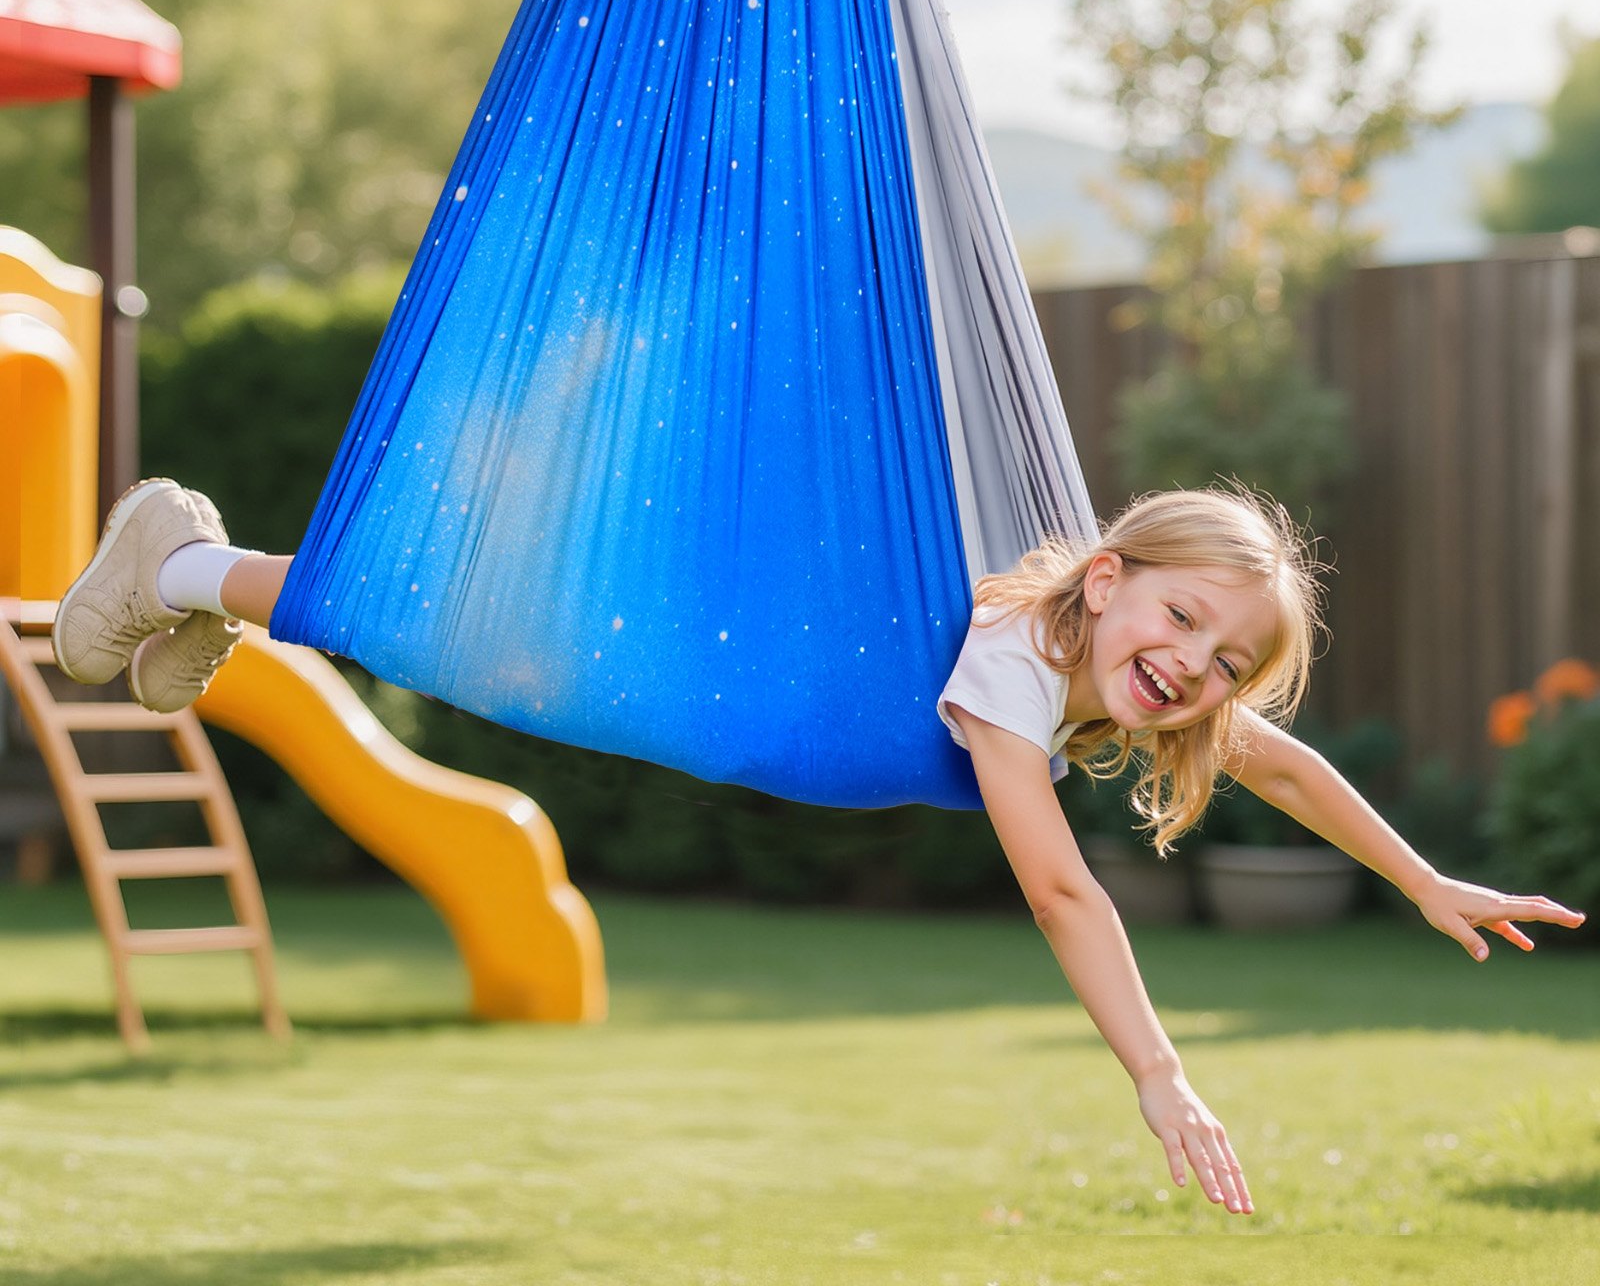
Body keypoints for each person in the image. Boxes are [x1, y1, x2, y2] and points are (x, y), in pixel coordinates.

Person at [51, 477, 1587, 1216]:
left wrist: (1423, 877)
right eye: (1182, 621)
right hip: (730, 650)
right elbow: (1057, 884)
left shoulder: (1103, 667)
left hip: (747, 650)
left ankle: (186, 578)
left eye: (1225, 662)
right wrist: (1159, 1069)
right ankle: (178, 558)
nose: (1194, 672)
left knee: (469, 636)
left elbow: (1292, 769)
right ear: (1107, 581)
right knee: (464, 637)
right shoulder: (1006, 675)